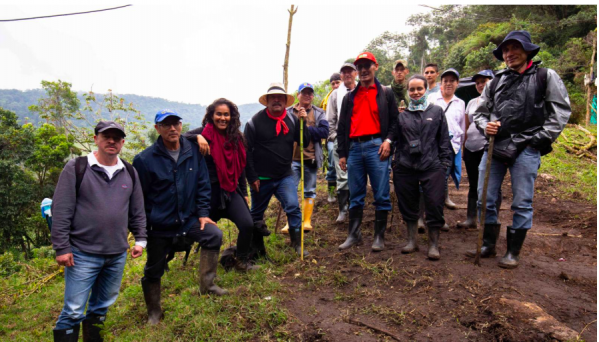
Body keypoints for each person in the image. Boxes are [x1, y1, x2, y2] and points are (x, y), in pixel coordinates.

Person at [467, 30, 571, 268]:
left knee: (522, 201)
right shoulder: (496, 81)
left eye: (515, 48)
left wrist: (538, 139)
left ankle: (513, 251)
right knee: (485, 197)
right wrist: (487, 126)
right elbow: (479, 113)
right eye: (505, 49)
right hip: (496, 145)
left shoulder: (546, 76)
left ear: (527, 51)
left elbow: (560, 112)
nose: (509, 54)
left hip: (527, 147)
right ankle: (488, 244)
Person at [51, 121, 146, 342]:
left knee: (101, 307)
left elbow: (137, 209)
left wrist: (140, 239)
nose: (111, 141)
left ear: (123, 142)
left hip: (116, 254)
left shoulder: (129, 171)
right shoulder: (77, 167)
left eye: (116, 137)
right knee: (74, 310)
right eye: (106, 137)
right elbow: (61, 210)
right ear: (96, 139)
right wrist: (62, 247)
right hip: (82, 253)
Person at [133, 109, 227, 326]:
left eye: (176, 123)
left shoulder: (193, 151)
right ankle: (154, 311)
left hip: (188, 220)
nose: (172, 128)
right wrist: (142, 229)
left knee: (213, 234)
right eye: (166, 125)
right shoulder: (145, 160)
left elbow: (203, 185)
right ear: (157, 128)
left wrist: (203, 214)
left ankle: (208, 286)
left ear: (181, 126)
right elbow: (138, 199)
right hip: (159, 226)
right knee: (153, 269)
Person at [184, 98, 259, 272]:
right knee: (201, 231)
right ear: (211, 115)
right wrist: (198, 137)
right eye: (219, 114)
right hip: (207, 193)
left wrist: (244, 191)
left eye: (226, 114)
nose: (223, 118)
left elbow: (240, 166)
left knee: (247, 224)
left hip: (230, 191)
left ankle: (241, 261)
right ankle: (199, 266)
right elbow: (180, 138)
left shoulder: (237, 137)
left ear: (232, 117)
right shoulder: (204, 133)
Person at [337, 52, 399, 252]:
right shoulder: (349, 98)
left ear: (375, 66)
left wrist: (388, 141)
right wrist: (343, 153)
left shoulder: (385, 93)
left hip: (377, 147)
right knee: (355, 193)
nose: (363, 70)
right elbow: (342, 127)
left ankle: (379, 237)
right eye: (360, 67)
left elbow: (395, 121)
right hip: (354, 148)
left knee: (381, 193)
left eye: (367, 66)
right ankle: (353, 234)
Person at [244, 83, 310, 257]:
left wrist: (304, 122)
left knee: (293, 206)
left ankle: (297, 243)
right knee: (256, 213)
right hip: (261, 177)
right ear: (267, 101)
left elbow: (304, 140)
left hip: (284, 175)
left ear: (285, 101)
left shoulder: (292, 120)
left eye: (280, 97)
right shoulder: (254, 122)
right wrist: (252, 177)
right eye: (272, 97)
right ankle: (257, 248)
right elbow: (246, 152)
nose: (276, 100)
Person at [393, 75, 452, 260]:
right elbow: (397, 141)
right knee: (408, 203)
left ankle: (433, 245)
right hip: (406, 166)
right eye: (412, 89)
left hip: (432, 165)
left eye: (419, 88)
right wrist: (397, 163)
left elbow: (443, 140)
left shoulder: (436, 111)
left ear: (426, 89)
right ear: (408, 92)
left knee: (434, 204)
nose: (416, 92)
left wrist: (444, 165)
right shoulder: (402, 116)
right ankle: (412, 241)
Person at [281, 83, 329, 233]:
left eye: (310, 93)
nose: (307, 96)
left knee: (309, 190)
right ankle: (291, 221)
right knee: (290, 190)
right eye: (304, 93)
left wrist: (306, 126)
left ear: (313, 96)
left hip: (311, 157)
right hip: (291, 159)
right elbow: (282, 130)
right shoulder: (287, 112)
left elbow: (324, 132)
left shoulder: (319, 113)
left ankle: (306, 220)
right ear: (298, 95)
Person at [457, 70, 502, 229]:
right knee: (474, 184)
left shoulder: (500, 101)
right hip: (471, 148)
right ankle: (471, 219)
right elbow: (467, 125)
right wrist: (464, 146)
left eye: (484, 81)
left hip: (488, 149)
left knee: (491, 186)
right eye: (478, 83)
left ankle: (489, 222)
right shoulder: (472, 102)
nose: (481, 85)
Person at [427, 68, 466, 230]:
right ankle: (428, 217)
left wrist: (459, 147)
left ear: (457, 83)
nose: (448, 84)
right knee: (430, 181)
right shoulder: (432, 99)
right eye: (446, 81)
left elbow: (461, 127)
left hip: (451, 148)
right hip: (433, 147)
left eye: (452, 81)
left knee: (442, 182)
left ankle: (439, 218)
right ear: (441, 84)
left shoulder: (460, 103)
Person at [327, 63, 358, 223]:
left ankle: (355, 206)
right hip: (342, 139)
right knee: (342, 174)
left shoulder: (363, 91)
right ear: (341, 76)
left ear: (355, 73)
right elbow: (330, 119)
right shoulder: (335, 95)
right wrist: (334, 137)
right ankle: (343, 209)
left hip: (360, 139)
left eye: (350, 72)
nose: (347, 75)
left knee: (357, 174)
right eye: (344, 72)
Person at [322, 73, 342, 203]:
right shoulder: (327, 99)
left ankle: (344, 192)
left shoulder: (346, 94)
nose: (335, 85)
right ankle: (331, 192)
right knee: (331, 162)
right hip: (331, 136)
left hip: (345, 136)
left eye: (337, 82)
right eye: (333, 83)